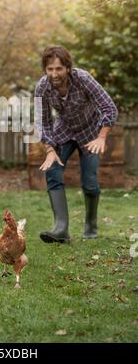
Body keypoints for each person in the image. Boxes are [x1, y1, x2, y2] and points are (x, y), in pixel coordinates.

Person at [35, 46, 118, 243]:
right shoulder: (42, 87)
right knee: (52, 170)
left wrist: (102, 136)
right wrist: (49, 149)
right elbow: (42, 121)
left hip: (90, 132)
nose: (54, 74)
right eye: (50, 69)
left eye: (58, 69)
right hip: (64, 131)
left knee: (89, 182)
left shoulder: (83, 79)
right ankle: (61, 229)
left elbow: (109, 107)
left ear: (68, 68)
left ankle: (90, 225)